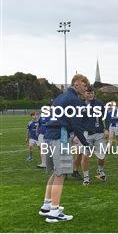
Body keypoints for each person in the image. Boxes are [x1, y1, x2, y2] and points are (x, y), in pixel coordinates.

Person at [39, 74, 90, 223]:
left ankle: (46, 205)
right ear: (76, 84)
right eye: (84, 84)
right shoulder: (74, 100)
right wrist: (86, 144)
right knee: (61, 174)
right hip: (59, 135)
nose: (86, 87)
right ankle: (54, 212)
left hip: (49, 135)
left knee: (56, 172)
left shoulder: (59, 97)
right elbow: (76, 126)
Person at [80, 87, 107, 185]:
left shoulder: (99, 103)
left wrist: (106, 128)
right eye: (88, 93)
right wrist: (76, 133)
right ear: (84, 94)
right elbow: (76, 120)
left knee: (102, 156)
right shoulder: (80, 104)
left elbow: (106, 116)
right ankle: (86, 177)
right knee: (86, 156)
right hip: (86, 134)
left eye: (92, 93)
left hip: (99, 133)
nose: (90, 95)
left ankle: (100, 170)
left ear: (94, 94)